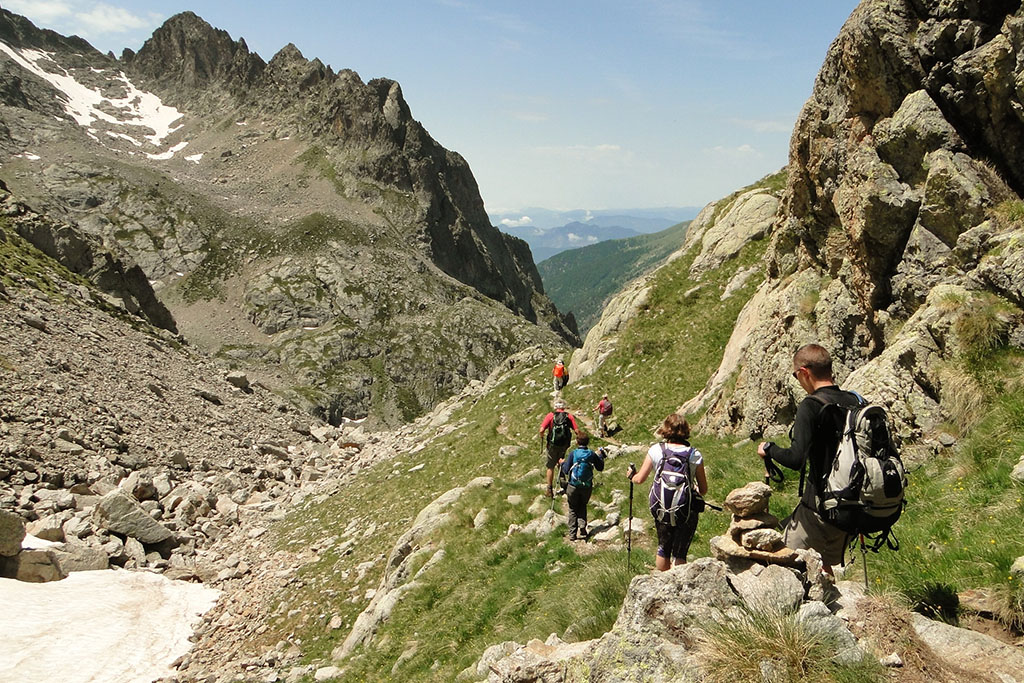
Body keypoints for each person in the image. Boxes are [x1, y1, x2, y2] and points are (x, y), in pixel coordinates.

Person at [757, 343, 861, 575]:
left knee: (780, 555)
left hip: (822, 505)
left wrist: (770, 449)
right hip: (853, 504)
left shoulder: (811, 406)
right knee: (822, 562)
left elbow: (796, 459)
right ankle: (828, 604)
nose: (798, 381)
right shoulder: (854, 401)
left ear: (804, 372)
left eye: (796, 376)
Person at [627, 413, 707, 570]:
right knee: (680, 553)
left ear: (665, 430)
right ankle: (677, 586)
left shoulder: (656, 450)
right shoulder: (694, 454)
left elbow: (640, 479)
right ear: (686, 430)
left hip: (661, 505)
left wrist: (631, 475)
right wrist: (694, 488)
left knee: (663, 546)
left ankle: (662, 583)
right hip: (686, 508)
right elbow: (703, 490)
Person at [560, 432, 605, 541]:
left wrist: (562, 463)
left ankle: (572, 534)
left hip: (573, 486)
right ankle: (582, 526)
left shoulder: (573, 453)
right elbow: (600, 468)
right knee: (582, 505)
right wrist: (600, 456)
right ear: (588, 442)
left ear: (577, 442)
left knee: (572, 508)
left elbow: (566, 470)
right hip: (587, 486)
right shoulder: (591, 454)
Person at [539, 398, 578, 498]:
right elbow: (576, 430)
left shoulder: (550, 416)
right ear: (564, 407)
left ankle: (549, 489)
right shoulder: (568, 416)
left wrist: (542, 436)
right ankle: (562, 480)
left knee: (550, 466)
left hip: (552, 445)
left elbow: (541, 429)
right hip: (564, 444)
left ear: (555, 407)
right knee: (561, 460)